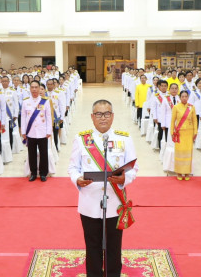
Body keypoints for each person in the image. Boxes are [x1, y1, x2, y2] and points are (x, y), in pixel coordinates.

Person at [68, 99, 138, 277]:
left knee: (114, 246)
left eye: (107, 114)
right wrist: (78, 179)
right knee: (92, 245)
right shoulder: (81, 139)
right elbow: (73, 168)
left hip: (114, 202)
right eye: (98, 114)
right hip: (89, 202)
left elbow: (133, 168)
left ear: (113, 116)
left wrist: (124, 178)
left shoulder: (124, 138)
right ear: (92, 117)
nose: (103, 118)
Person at [21, 80, 52, 182]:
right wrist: (23, 132)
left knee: (44, 153)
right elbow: (23, 118)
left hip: (42, 132)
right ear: (30, 89)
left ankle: (43, 173)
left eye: (36, 87)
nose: (34, 89)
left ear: (39, 89)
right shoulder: (25, 101)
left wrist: (49, 131)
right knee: (32, 154)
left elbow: (48, 117)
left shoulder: (45, 101)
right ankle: (33, 173)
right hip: (31, 132)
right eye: (32, 87)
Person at [170, 90, 197, 180]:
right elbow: (173, 121)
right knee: (179, 152)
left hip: (189, 132)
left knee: (188, 152)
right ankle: (179, 172)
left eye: (186, 96)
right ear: (180, 97)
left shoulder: (192, 107)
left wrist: (195, 132)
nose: (184, 98)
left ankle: (186, 172)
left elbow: (194, 120)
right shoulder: (176, 107)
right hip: (179, 133)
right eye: (182, 96)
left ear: (188, 97)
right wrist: (171, 132)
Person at [1, 76, 19, 149]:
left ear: (9, 82)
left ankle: (10, 148)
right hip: (1, 117)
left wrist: (15, 115)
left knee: (10, 132)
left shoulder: (12, 91)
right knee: (1, 133)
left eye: (6, 81)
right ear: (1, 82)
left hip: (10, 116)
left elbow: (16, 104)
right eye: (3, 81)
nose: (5, 82)